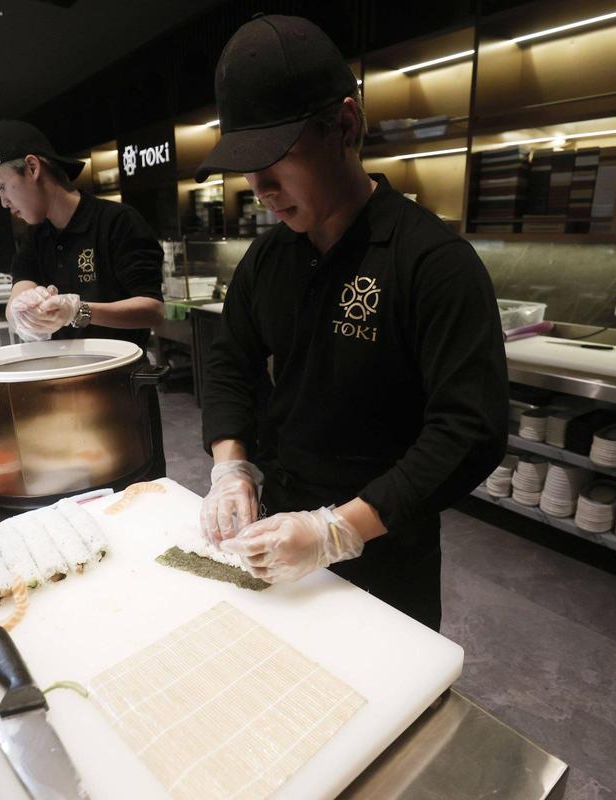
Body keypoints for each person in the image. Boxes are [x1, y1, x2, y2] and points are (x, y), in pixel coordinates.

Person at [195, 14, 509, 631]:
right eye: (246, 166)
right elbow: (230, 359)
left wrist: (337, 531)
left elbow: (468, 431)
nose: (259, 186)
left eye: (276, 158)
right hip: (278, 518)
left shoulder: (431, 261)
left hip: (385, 540)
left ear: (344, 125)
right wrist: (231, 468)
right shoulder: (269, 258)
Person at [0, 120, 165, 344]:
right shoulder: (37, 236)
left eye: (2, 187)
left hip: (118, 370)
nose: (4, 202)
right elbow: (21, 285)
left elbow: (153, 310)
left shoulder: (116, 221)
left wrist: (77, 311)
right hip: (61, 370)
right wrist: (22, 309)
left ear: (33, 168)